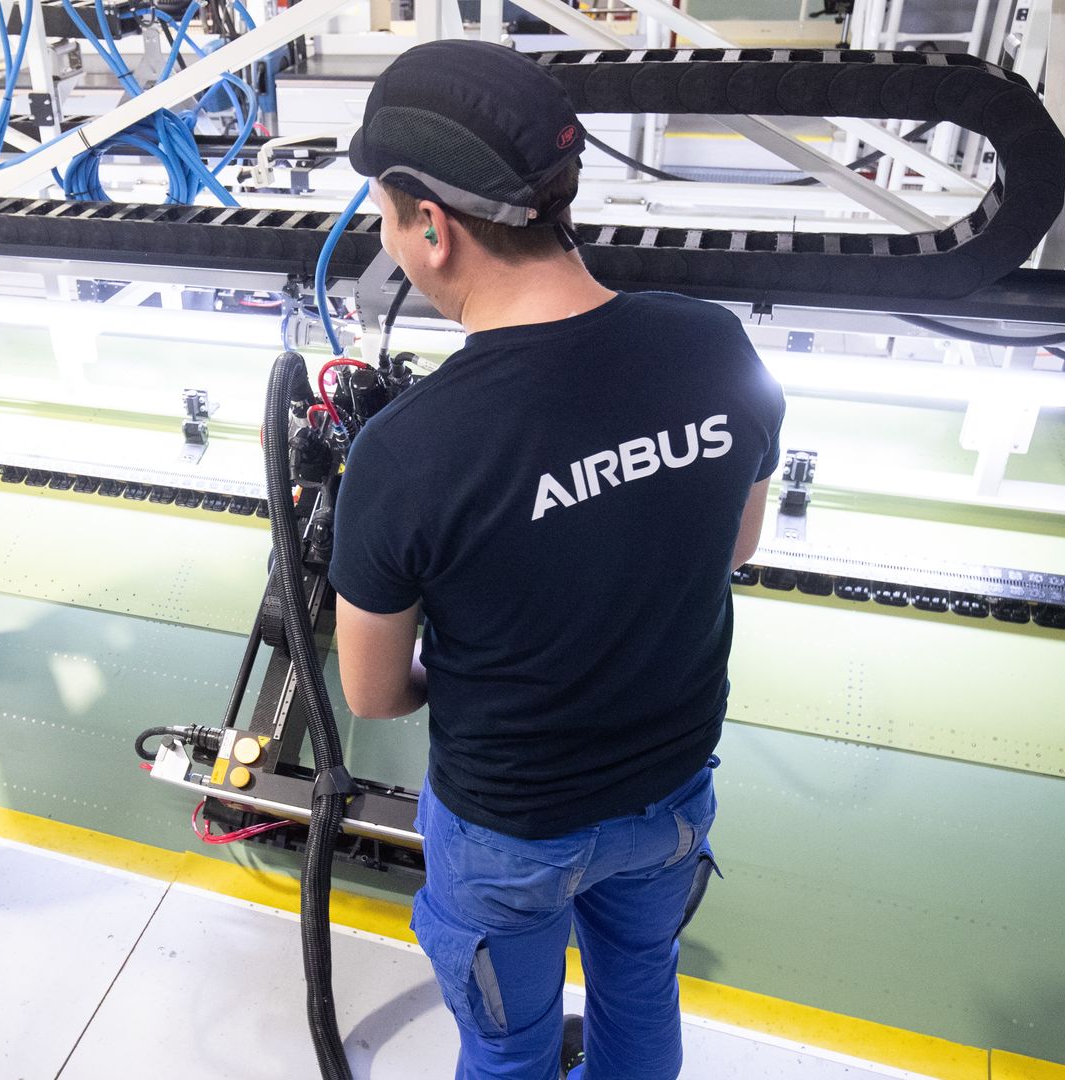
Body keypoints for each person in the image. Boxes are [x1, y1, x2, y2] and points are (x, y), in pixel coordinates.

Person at [327, 41, 785, 1080]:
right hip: (671, 796)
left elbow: (374, 692)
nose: (388, 239)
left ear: (432, 227)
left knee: (511, 1044)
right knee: (641, 990)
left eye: (384, 217)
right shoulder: (715, 345)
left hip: (511, 832)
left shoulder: (406, 451)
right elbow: (737, 544)